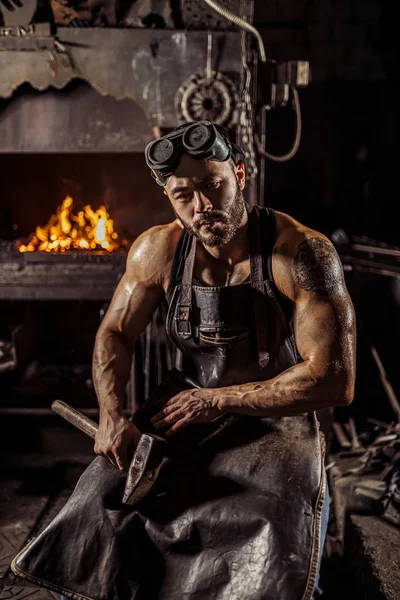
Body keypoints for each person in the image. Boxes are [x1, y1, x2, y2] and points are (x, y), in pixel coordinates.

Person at [12, 121, 356, 600]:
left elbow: (333, 380)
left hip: (275, 420)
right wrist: (111, 415)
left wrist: (218, 400)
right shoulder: (158, 250)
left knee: (275, 535)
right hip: (182, 411)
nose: (203, 207)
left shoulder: (300, 252)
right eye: (184, 195)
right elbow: (114, 332)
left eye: (213, 185)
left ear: (239, 172)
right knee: (97, 504)